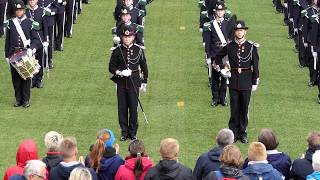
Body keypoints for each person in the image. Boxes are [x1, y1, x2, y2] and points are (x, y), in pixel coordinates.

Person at [109, 24, 148, 141]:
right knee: (122, 108)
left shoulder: (139, 50)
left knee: (133, 107)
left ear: (133, 37)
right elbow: (111, 67)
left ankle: (133, 132)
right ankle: (124, 132)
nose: (126, 39)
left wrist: (144, 82)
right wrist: (120, 72)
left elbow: (144, 66)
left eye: (129, 37)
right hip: (121, 82)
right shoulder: (117, 50)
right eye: (125, 37)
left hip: (134, 81)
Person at [224, 20, 260, 143]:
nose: (239, 33)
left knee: (244, 108)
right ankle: (233, 132)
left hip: (246, 81)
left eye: (241, 30)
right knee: (234, 108)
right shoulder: (230, 46)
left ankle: (243, 132)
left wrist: (255, 82)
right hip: (233, 81)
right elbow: (219, 57)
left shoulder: (251, 46)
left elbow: (255, 65)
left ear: (245, 31)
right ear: (235, 32)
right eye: (237, 31)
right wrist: (224, 67)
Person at [4, 0, 41, 108]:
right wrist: (7, 55)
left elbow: (36, 40)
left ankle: (26, 100)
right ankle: (18, 99)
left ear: (24, 10)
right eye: (17, 10)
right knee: (15, 78)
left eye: (20, 10)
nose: (19, 12)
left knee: (26, 77)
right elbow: (8, 41)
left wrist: (31, 49)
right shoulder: (11, 23)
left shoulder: (30, 23)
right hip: (13, 54)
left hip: (25, 54)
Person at [203, 2, 231, 107]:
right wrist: (209, 57)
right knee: (214, 78)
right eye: (218, 10)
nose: (220, 12)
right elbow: (208, 42)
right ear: (215, 12)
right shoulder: (211, 24)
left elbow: (230, 40)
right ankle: (215, 98)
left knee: (224, 77)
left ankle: (223, 98)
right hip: (214, 54)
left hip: (225, 55)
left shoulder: (228, 24)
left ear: (224, 11)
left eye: (221, 10)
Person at [26, 0, 49, 88]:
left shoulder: (41, 11)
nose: (32, 2)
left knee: (40, 60)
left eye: (33, 0)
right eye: (30, 0)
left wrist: (46, 40)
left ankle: (39, 80)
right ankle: (32, 80)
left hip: (40, 39)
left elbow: (45, 27)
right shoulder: (26, 12)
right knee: (31, 60)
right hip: (30, 40)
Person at [37, 0, 57, 69]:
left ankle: (49, 60)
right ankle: (40, 61)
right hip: (39, 23)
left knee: (49, 42)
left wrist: (50, 12)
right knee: (39, 41)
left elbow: (57, 8)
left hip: (49, 22)